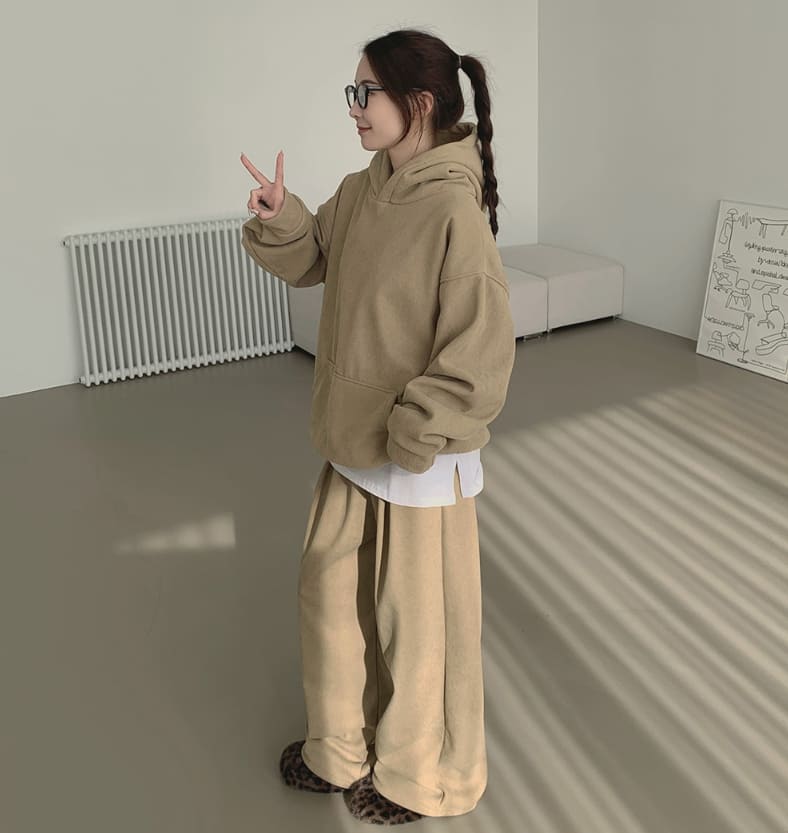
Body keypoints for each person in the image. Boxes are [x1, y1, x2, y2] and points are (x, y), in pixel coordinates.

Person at [240, 28, 515, 825]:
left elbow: (480, 350)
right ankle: (339, 746)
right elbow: (316, 253)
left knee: (421, 633)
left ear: (418, 103)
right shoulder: (364, 188)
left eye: (367, 93)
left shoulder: (453, 209)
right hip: (351, 440)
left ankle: (423, 778)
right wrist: (283, 215)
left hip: (416, 457)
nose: (355, 108)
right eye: (353, 93)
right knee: (330, 599)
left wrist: (416, 429)